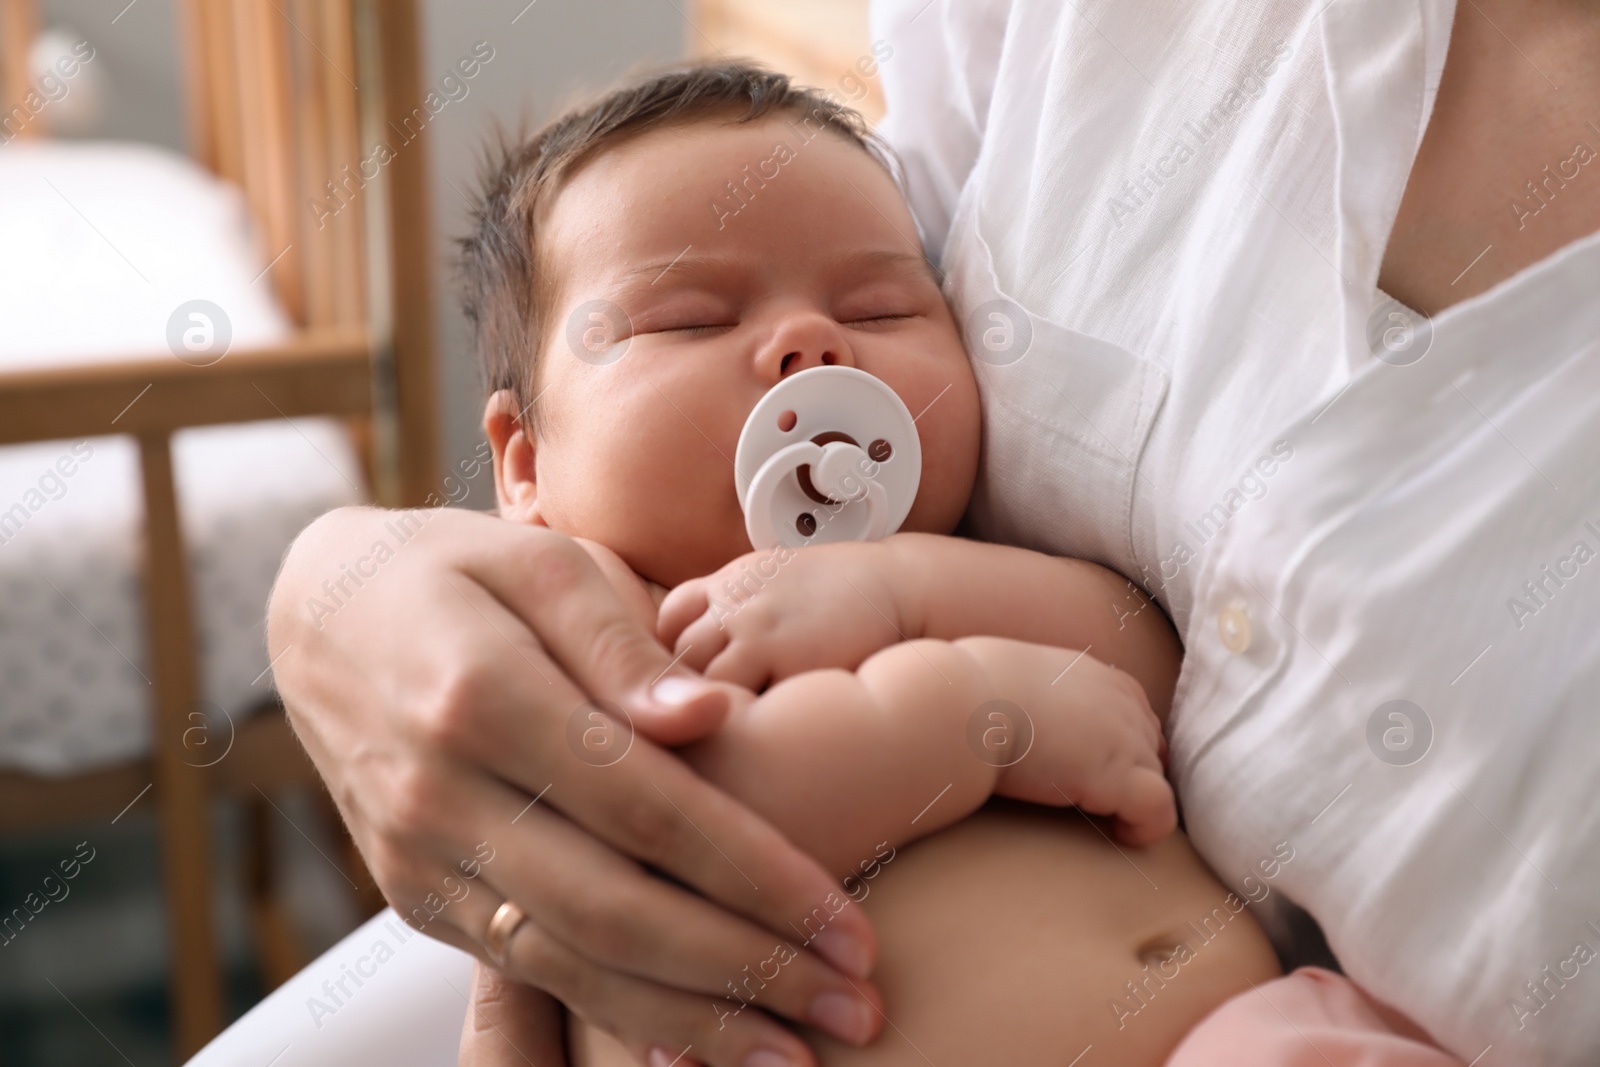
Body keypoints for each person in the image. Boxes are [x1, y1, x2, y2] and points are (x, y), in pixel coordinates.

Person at [267, 1, 1600, 1064]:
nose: (810, 343)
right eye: (688, 321)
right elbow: (703, 820)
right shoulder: (604, 620)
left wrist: (907, 596)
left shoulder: (952, 560)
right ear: (522, 462)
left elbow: (1143, 660)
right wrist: (969, 711)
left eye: (884, 305)